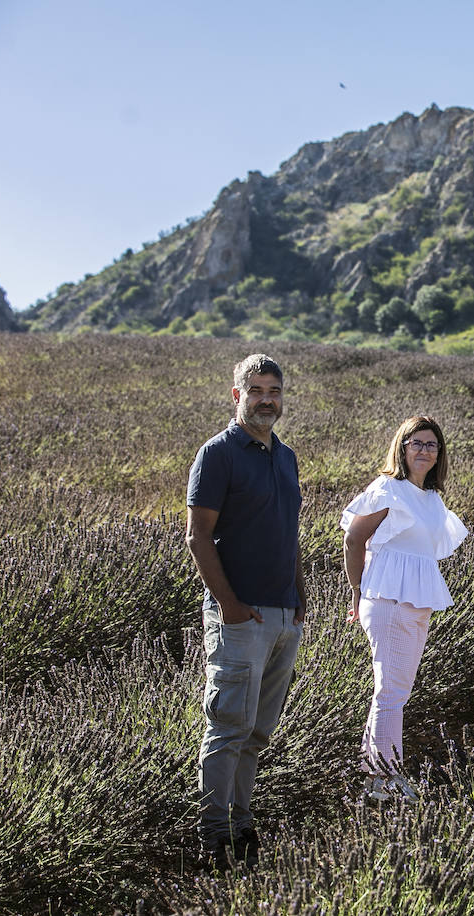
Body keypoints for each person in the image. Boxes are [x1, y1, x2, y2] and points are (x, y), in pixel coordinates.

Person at [186, 353, 306, 870]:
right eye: (255, 390)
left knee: (257, 731)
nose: (265, 399)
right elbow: (197, 536)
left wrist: (300, 593)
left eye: (273, 391)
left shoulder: (286, 457)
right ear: (237, 396)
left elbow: (288, 531)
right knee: (227, 727)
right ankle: (213, 833)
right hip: (241, 617)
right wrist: (229, 606)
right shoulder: (218, 454)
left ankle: (242, 825)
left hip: (282, 615)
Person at [342, 416, 467, 800]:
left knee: (394, 691)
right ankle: (385, 779)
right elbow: (354, 538)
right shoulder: (388, 489)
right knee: (391, 693)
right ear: (402, 446)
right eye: (417, 443)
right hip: (388, 598)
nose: (425, 451)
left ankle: (374, 776)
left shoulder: (431, 498)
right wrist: (357, 590)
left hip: (415, 601)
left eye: (432, 445)